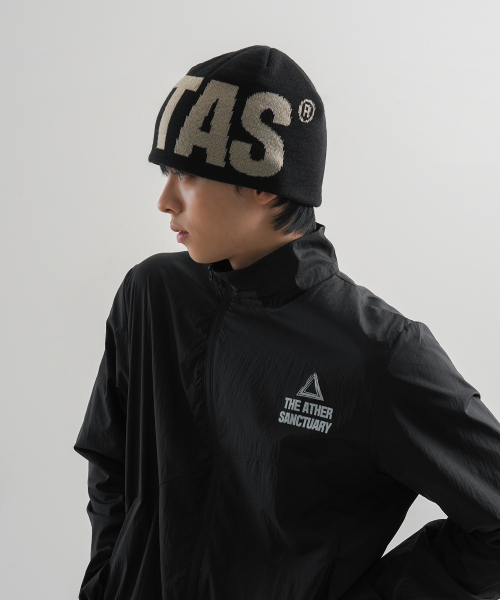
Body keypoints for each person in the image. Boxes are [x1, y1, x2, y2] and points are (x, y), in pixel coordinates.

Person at [74, 45, 500, 600]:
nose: (164, 200)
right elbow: (111, 457)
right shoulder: (153, 294)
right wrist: (107, 580)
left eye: (186, 174)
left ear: (263, 183)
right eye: (165, 171)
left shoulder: (377, 354)